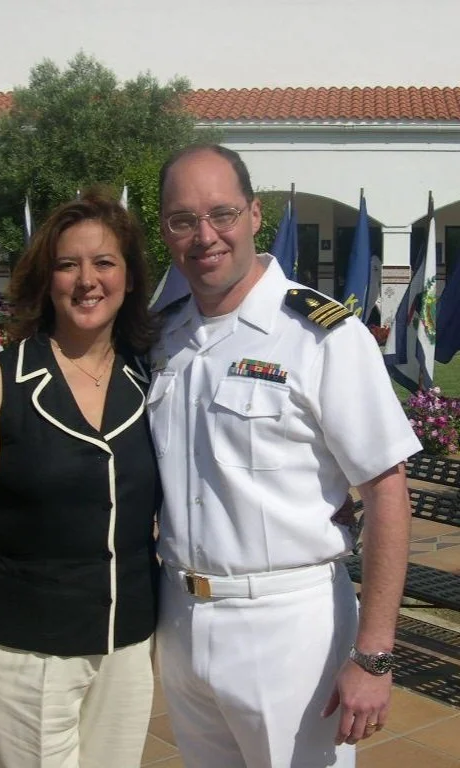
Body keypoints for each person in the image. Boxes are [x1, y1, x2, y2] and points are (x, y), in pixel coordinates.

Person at [147, 144, 422, 768]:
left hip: (287, 628)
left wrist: (374, 653)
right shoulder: (164, 335)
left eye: (222, 213)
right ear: (165, 229)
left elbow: (386, 489)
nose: (204, 236)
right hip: (181, 619)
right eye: (183, 220)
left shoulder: (321, 335)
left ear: (253, 215)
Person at [0, 191, 161, 767]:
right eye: (68, 264)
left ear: (129, 277)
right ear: (48, 278)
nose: (87, 280)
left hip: (126, 648)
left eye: (105, 262)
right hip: (24, 654)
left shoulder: (150, 379)